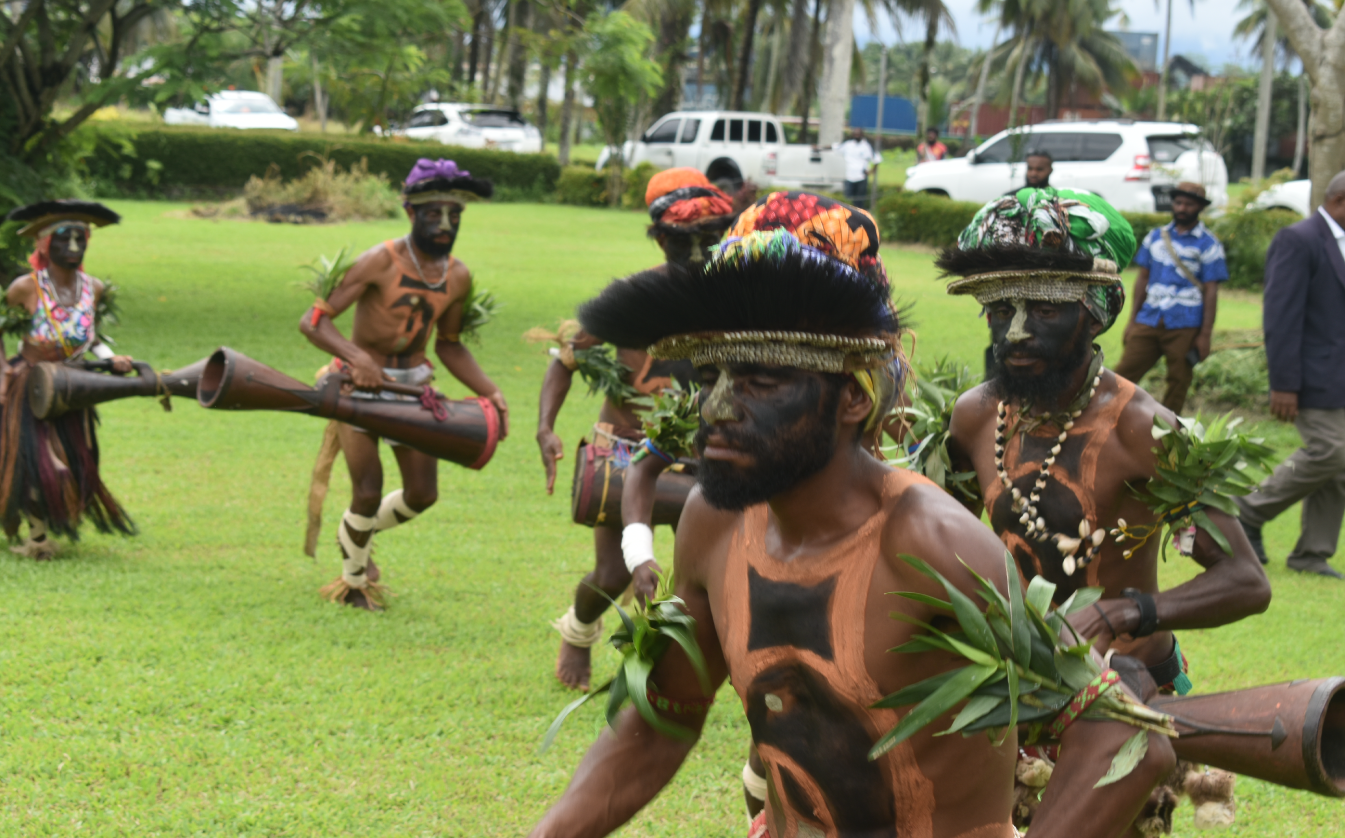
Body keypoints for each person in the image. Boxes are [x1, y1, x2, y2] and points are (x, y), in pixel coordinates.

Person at [528, 221, 1176, 838]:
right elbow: (663, 716)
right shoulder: (711, 522)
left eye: (759, 379)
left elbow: (1121, 735)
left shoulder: (930, 542)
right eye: (709, 378)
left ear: (852, 400)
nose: (716, 409)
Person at [942, 188, 1268, 832]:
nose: (1015, 331)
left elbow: (1245, 582)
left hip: (1124, 688)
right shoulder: (976, 416)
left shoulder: (1146, 430)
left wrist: (1122, 612)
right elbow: (929, 542)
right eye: (1000, 308)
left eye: (1043, 309)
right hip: (1009, 688)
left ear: (1097, 313)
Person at [537, 168, 744, 691]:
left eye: (710, 240)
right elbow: (566, 357)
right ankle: (580, 630)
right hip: (627, 454)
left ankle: (669, 669)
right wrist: (545, 428)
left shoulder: (739, 301)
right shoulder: (634, 296)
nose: (698, 256)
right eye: (683, 243)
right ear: (659, 239)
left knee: (705, 577)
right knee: (613, 574)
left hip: (702, 460)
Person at [298, 158, 509, 611]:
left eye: (455, 216)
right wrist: (356, 358)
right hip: (357, 387)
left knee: (422, 494)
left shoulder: (457, 275)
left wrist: (491, 390)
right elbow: (314, 321)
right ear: (411, 214)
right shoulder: (379, 260)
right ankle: (354, 583)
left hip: (414, 387)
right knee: (368, 489)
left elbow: (449, 345)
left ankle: (355, 532)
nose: (445, 225)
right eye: (434, 214)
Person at [0, 200, 137, 558]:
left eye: (80, 239)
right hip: (30, 385)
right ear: (45, 245)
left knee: (75, 459)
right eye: (64, 239)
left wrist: (110, 358)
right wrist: (2, 371)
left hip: (74, 384)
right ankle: (38, 538)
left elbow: (91, 335)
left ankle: (44, 530)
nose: (73, 247)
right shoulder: (25, 288)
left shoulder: (94, 288)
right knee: (37, 459)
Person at [1235, 170, 1345, 579]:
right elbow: (1281, 318)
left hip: (1339, 376)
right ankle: (1248, 509)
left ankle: (1312, 553)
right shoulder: (1298, 240)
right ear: (1340, 201)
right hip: (1310, 373)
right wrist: (1283, 383)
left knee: (1340, 466)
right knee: (1329, 451)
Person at [1113, 182, 1227, 414]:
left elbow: (1211, 290)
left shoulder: (1208, 243)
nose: (1182, 208)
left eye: (1189, 204)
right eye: (1178, 202)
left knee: (1178, 381)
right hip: (1150, 317)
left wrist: (1205, 334)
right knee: (1123, 374)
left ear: (1199, 208)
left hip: (1185, 322)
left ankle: (1168, 430)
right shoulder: (1155, 237)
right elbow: (1142, 279)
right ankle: (1109, 418)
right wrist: (1132, 320)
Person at [838, 126, 881, 205]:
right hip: (849, 176)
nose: (856, 136)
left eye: (858, 134)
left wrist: (871, 171)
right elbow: (836, 148)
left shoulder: (867, 146)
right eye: (855, 134)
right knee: (848, 200)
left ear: (862, 135)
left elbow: (877, 159)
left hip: (861, 177)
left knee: (859, 200)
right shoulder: (848, 145)